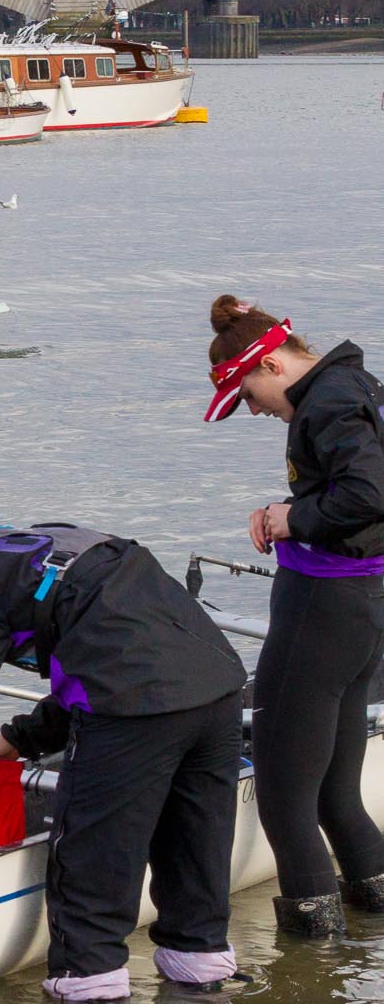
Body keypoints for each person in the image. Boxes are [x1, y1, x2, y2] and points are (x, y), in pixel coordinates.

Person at [0, 476, 247, 999]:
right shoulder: (39, 542)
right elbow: (113, 654)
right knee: (194, 852)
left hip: (136, 708)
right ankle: (201, 975)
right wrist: (18, 737)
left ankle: (88, 982)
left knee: (89, 862)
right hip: (218, 688)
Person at [203, 295, 384, 935]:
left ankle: (312, 958)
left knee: (283, 795)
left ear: (273, 365)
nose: (253, 411)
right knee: (337, 790)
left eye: (249, 395)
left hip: (324, 607)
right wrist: (288, 507)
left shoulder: (330, 400)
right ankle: (372, 927)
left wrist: (294, 518)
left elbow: (369, 491)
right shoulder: (352, 383)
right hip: (364, 606)